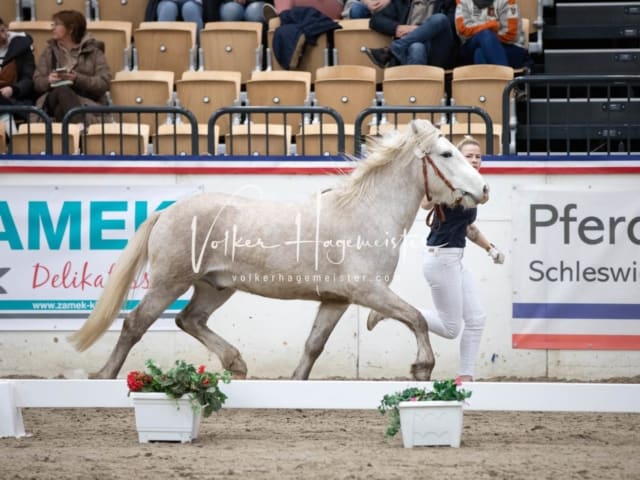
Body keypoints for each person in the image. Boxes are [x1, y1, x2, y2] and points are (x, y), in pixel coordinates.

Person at [419, 135, 504, 382]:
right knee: (450, 328)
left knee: (477, 319)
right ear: (458, 158)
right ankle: (397, 310)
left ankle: (465, 377)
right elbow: (425, 203)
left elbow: (468, 228)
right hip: (441, 258)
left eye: (478, 156)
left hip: (454, 259)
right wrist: (447, 190)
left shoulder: (471, 184)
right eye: (469, 155)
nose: (475, 159)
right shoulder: (447, 180)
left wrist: (490, 249)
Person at [33, 10, 111, 123]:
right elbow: (37, 82)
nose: (52, 28)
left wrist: (76, 79)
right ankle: (80, 125)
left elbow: (104, 83)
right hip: (51, 100)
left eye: (57, 24)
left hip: (85, 102)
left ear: (71, 29)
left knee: (61, 111)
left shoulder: (94, 52)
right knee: (62, 89)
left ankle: (72, 133)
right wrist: (49, 80)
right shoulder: (49, 52)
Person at [364, 0, 458, 69]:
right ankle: (414, 92)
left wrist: (418, 29)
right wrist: (397, 28)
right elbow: (376, 20)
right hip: (409, 50)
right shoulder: (403, 2)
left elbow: (451, 23)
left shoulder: (447, 2)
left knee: (440, 19)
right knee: (417, 47)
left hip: (437, 51)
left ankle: (394, 49)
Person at [455, 0, 533, 70]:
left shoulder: (507, 1)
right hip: (471, 46)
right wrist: (490, 26)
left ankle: (496, 84)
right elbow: (463, 30)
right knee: (485, 35)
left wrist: (488, 38)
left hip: (509, 47)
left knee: (480, 54)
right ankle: (507, 82)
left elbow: (511, 35)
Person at [0, 17, 35, 134]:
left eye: (3, 30)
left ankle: (14, 141)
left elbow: (28, 78)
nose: (3, 35)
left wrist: (12, 89)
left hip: (16, 99)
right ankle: (14, 141)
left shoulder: (21, 47)